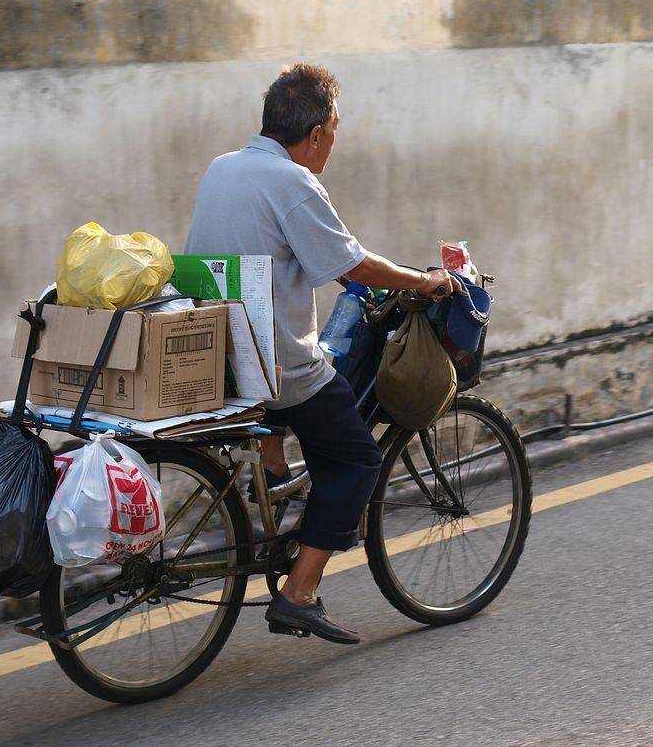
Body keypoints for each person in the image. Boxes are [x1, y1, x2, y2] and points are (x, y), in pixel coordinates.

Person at [184, 63, 459, 644]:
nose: (334, 141)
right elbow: (350, 264)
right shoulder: (294, 183)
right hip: (275, 366)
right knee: (356, 458)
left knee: (295, 398)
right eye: (334, 129)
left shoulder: (223, 168)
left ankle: (276, 485)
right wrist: (422, 280)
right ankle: (299, 593)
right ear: (315, 133)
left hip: (217, 355)